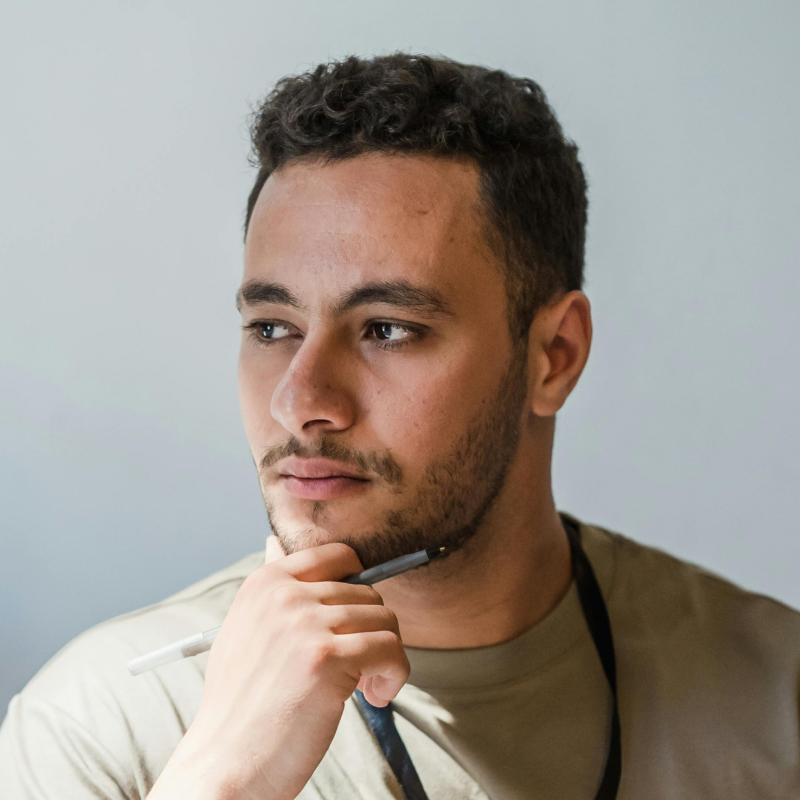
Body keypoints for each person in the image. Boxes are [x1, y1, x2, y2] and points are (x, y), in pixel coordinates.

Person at [1, 52, 798, 800]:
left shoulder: (777, 702)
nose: (301, 401)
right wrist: (225, 779)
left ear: (554, 356)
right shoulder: (100, 731)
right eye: (272, 327)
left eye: (387, 329)